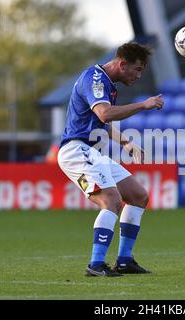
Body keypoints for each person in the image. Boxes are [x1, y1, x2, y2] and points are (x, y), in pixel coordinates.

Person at [57, 42, 164, 277]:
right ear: (122, 64)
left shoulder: (107, 84)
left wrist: (125, 142)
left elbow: (101, 122)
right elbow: (104, 113)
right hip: (76, 150)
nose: (138, 76)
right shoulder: (95, 79)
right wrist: (143, 105)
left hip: (93, 153)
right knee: (112, 201)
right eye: (136, 70)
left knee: (138, 196)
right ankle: (96, 264)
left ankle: (125, 260)